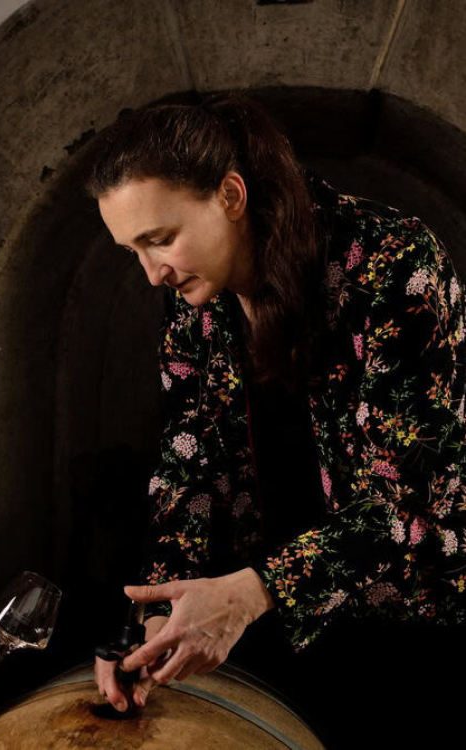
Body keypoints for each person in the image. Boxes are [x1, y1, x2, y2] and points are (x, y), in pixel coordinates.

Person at [88, 95, 466, 746]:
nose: (152, 273)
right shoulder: (193, 309)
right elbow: (185, 472)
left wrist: (252, 592)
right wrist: (153, 621)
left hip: (414, 629)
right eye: (134, 251)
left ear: (231, 196)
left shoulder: (394, 262)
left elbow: (404, 510)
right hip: (278, 628)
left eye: (161, 239)